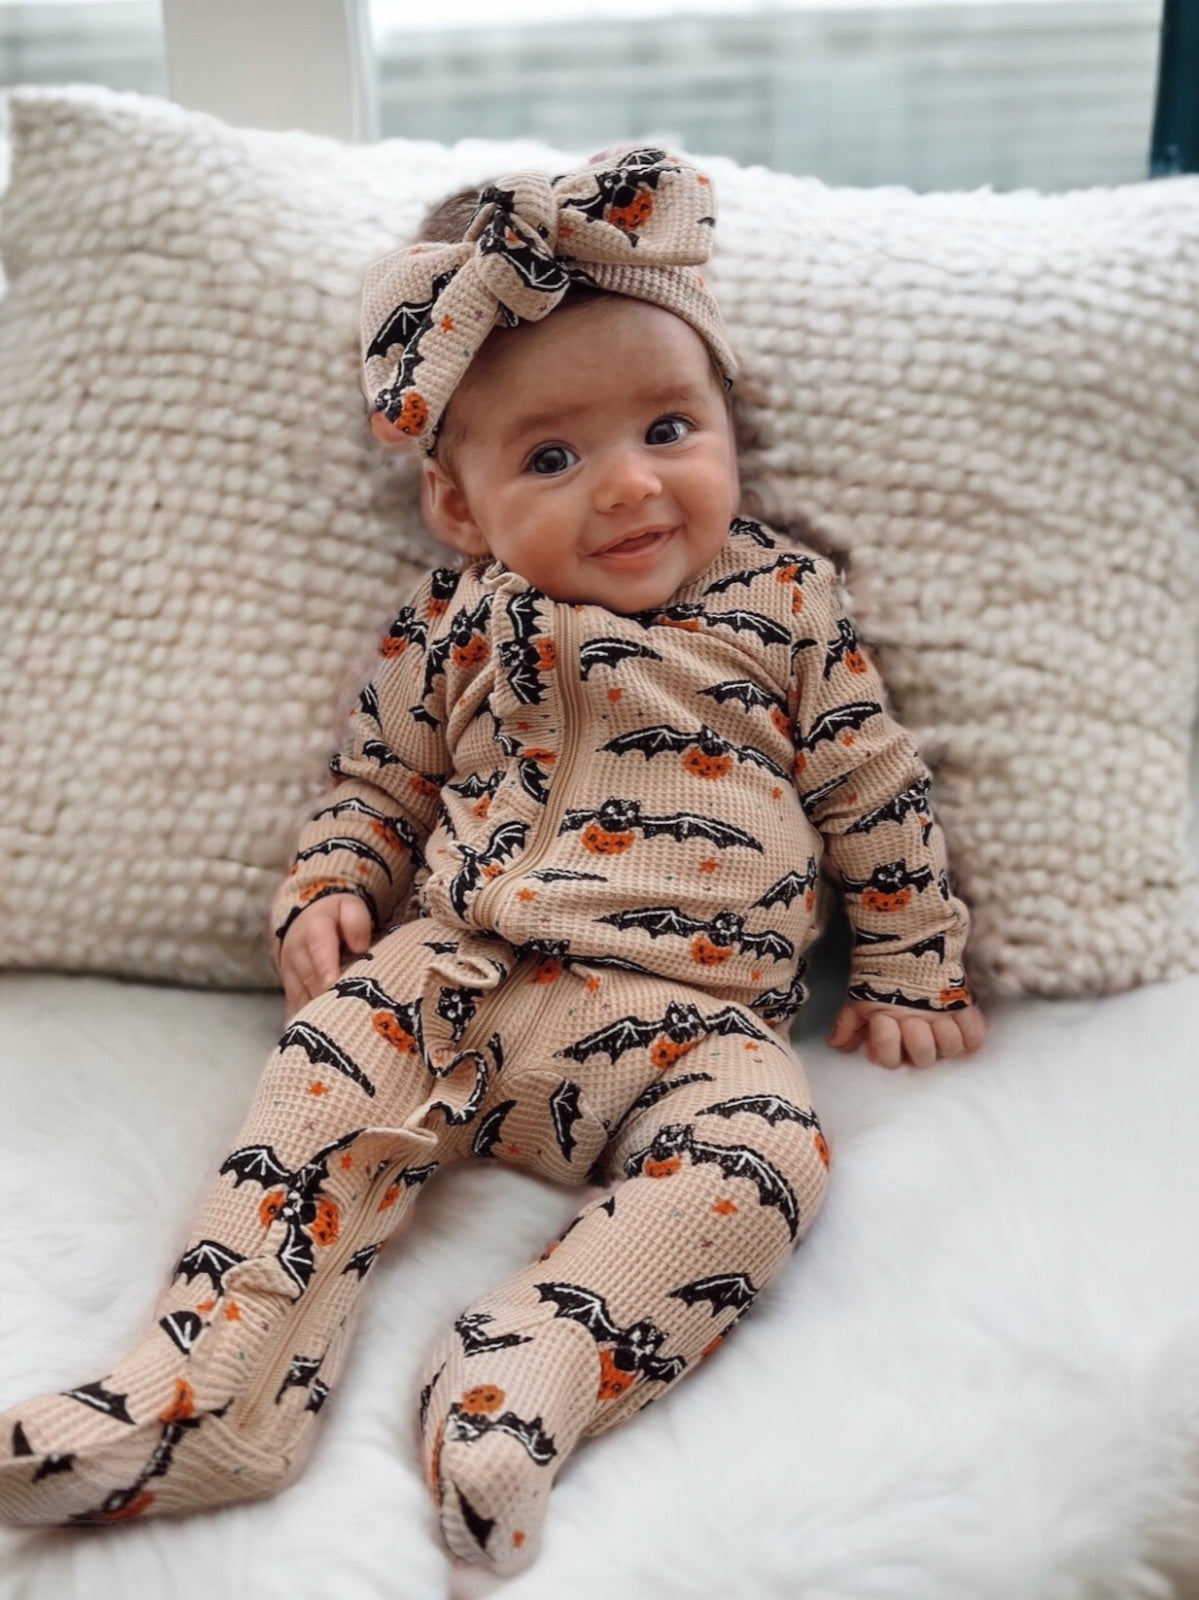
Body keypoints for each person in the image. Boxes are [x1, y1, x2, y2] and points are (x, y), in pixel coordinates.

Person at [0, 147, 985, 1575]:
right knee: (324, 1072)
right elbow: (377, 786)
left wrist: (909, 962)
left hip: (689, 1023)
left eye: (668, 426)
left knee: (767, 1152)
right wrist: (331, 885)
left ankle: (524, 1378)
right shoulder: (451, 625)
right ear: (460, 511)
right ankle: (210, 1391)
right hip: (461, 970)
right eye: (552, 458)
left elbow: (870, 782)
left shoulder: (781, 601)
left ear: (729, 423)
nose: (632, 490)